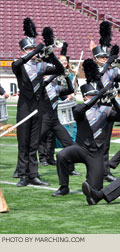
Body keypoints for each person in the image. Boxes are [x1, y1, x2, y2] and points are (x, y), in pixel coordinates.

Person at [52, 59, 120, 196]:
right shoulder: (79, 108)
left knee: (95, 188)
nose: (94, 97)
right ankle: (64, 187)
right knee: (62, 155)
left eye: (95, 94)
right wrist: (98, 94)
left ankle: (90, 181)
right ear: (85, 97)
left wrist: (114, 100)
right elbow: (81, 111)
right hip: (80, 148)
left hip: (96, 152)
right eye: (91, 95)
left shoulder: (106, 109)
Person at [12, 18, 64, 187]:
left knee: (34, 143)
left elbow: (59, 70)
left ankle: (33, 174)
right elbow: (19, 63)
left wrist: (51, 56)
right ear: (22, 50)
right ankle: (23, 174)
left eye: (32, 48)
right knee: (23, 142)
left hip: (37, 108)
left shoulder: (41, 67)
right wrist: (34, 53)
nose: (31, 51)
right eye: (28, 49)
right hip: (24, 107)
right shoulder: (18, 65)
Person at [92, 21, 120, 182]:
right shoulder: (92, 68)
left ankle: (105, 170)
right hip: (94, 108)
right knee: (96, 141)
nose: (104, 59)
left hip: (109, 107)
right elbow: (97, 80)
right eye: (102, 57)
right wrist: (108, 63)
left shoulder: (113, 71)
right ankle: (94, 169)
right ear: (95, 58)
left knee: (106, 141)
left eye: (106, 56)